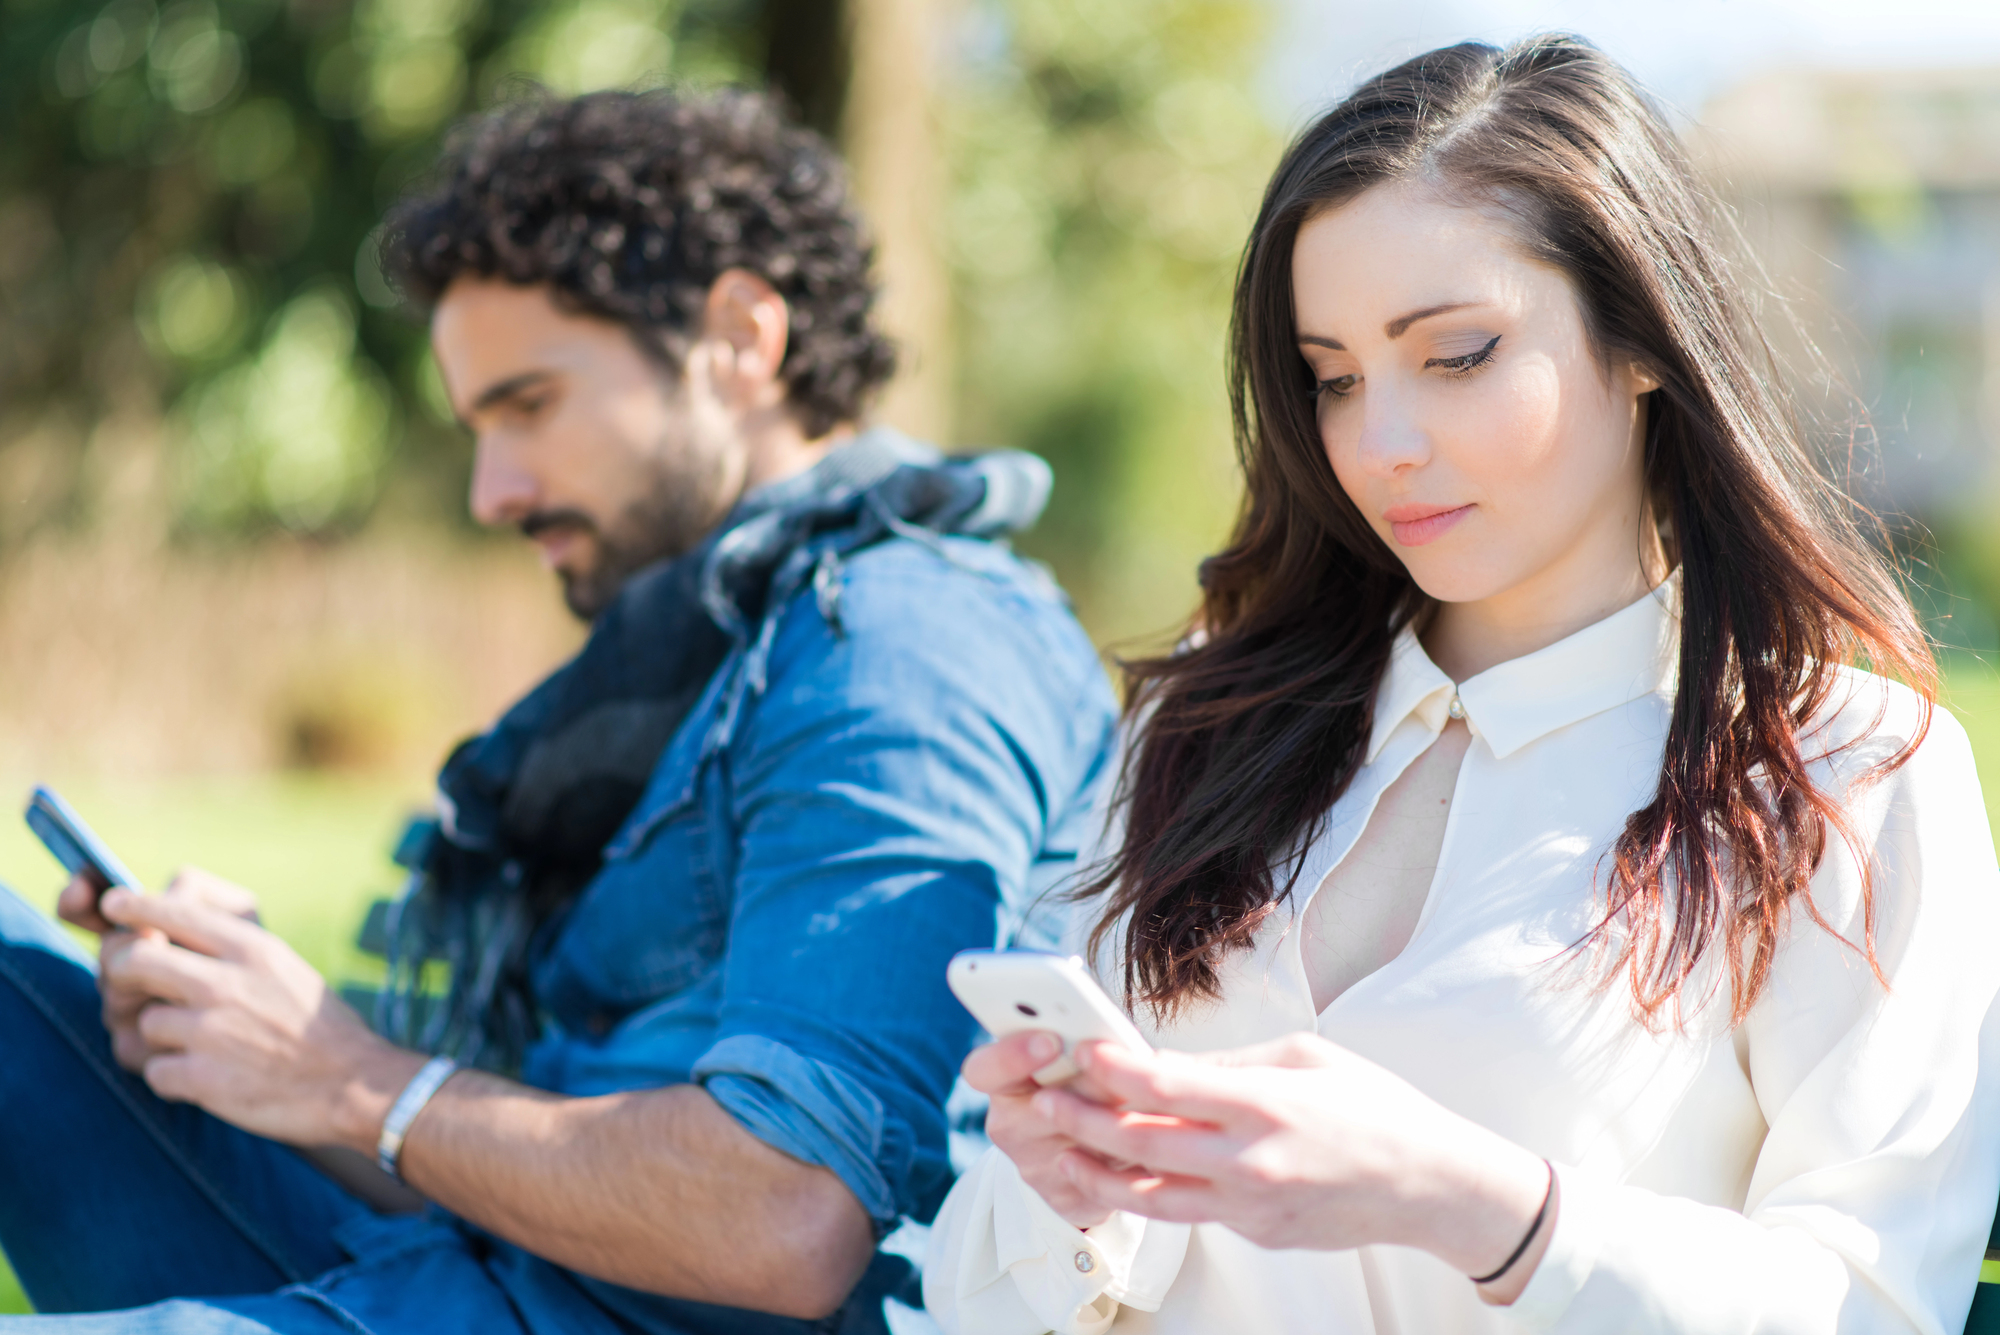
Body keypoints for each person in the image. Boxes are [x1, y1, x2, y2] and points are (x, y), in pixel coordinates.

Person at [925, 34, 2000, 1335]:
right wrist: (1068, 1192)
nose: (1381, 445)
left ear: (1645, 334)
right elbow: (972, 1274)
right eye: (1332, 377)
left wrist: (1476, 1199)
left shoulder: (1840, 768)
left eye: (1458, 353)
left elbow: (1875, 1302)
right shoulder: (1203, 722)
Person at [0, 88, 1118, 1334]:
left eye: (528, 406)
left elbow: (785, 1217)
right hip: (461, 1273)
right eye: (477, 426)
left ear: (741, 339)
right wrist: (257, 1033)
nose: (492, 489)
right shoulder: (701, 647)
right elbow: (517, 1158)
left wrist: (346, 1073)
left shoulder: (906, 644)